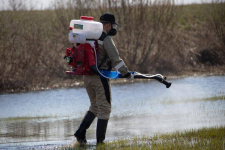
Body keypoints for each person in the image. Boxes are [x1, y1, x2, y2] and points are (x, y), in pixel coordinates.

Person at [74, 12, 134, 144]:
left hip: (87, 77)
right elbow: (115, 60)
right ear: (107, 25)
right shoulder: (105, 39)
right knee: (105, 108)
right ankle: (100, 143)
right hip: (100, 77)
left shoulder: (89, 36)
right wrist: (127, 73)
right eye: (113, 25)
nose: (114, 28)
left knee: (95, 106)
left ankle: (80, 133)